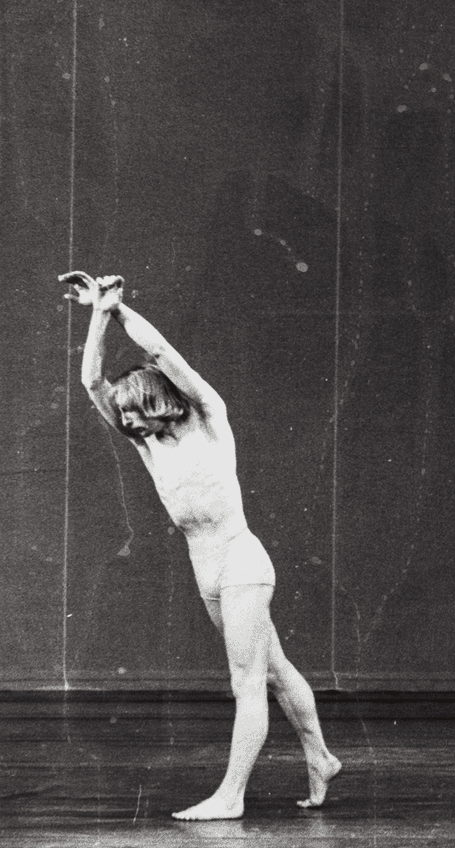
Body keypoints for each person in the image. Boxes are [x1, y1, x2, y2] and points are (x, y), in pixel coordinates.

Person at [61, 270, 340, 819]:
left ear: (156, 401)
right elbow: (93, 383)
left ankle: (231, 795)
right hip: (205, 571)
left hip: (241, 563)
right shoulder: (148, 446)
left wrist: (120, 310)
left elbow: (163, 352)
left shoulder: (209, 420)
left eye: (135, 412)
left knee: (247, 681)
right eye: (126, 418)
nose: (128, 423)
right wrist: (96, 315)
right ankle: (321, 756)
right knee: (275, 669)